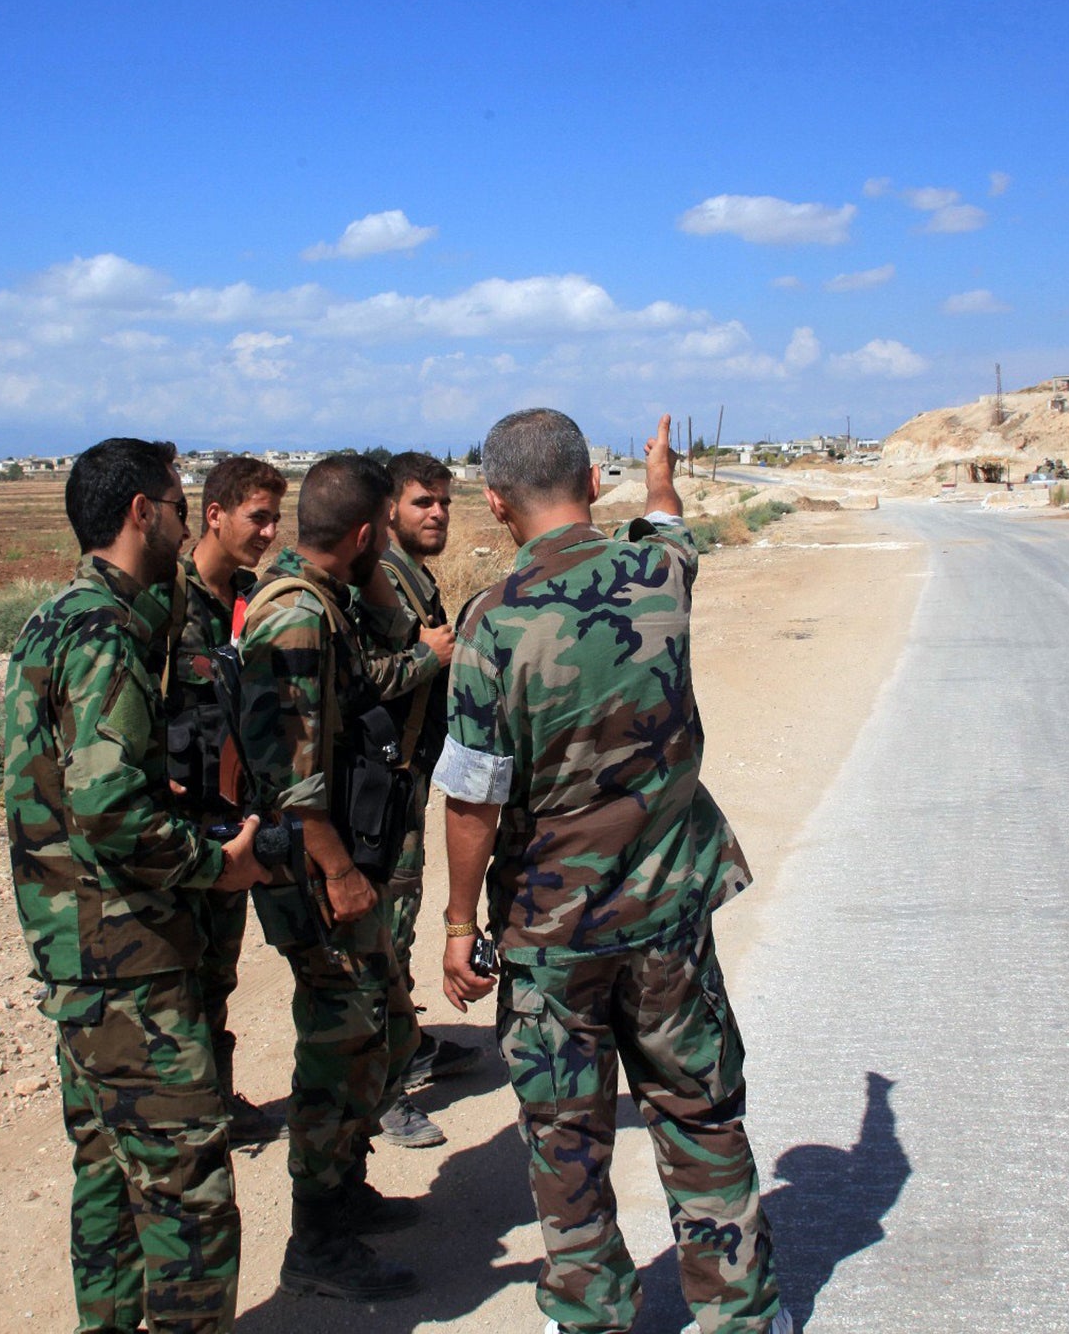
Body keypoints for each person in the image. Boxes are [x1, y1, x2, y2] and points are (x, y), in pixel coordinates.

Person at [437, 412, 791, 1334]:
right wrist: (661, 472)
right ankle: (742, 1314)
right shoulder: (660, 571)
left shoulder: (492, 623)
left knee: (568, 1136)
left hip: (553, 932)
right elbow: (669, 516)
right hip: (670, 911)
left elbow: (472, 802)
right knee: (699, 1112)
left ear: (495, 501)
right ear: (594, 483)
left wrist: (454, 924)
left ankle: (591, 1314)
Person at [4, 437, 267, 1334]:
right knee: (187, 1187)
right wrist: (215, 864)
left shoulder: (55, 617)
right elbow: (107, 804)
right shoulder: (109, 630)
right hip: (127, 956)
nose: (188, 518)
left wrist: (174, 798)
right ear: (141, 513)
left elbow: (70, 781)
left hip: (80, 949)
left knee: (110, 1175)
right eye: (180, 502)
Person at [235, 453, 429, 1302]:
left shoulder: (325, 597)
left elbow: (388, 646)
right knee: (337, 1046)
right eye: (379, 530)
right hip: (319, 868)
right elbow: (296, 776)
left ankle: (342, 1193)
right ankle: (317, 1237)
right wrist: (343, 872)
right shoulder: (300, 618)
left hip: (337, 859)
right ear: (361, 532)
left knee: (375, 1030)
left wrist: (368, 570)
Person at [161, 455, 288, 1145]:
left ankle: (216, 1095)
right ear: (214, 514)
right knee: (175, 977)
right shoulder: (166, 602)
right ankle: (188, 1108)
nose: (269, 531)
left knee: (217, 971)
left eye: (276, 517)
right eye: (256, 516)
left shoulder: (251, 600)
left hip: (230, 819)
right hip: (175, 827)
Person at [367, 451, 481, 1150]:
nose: (437, 513)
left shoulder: (408, 578)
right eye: (421, 503)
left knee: (398, 924)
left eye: (442, 501)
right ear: (389, 511)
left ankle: (405, 1045)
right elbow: (353, 683)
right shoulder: (379, 581)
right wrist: (428, 659)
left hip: (408, 780)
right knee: (385, 934)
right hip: (382, 787)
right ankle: (382, 1091)